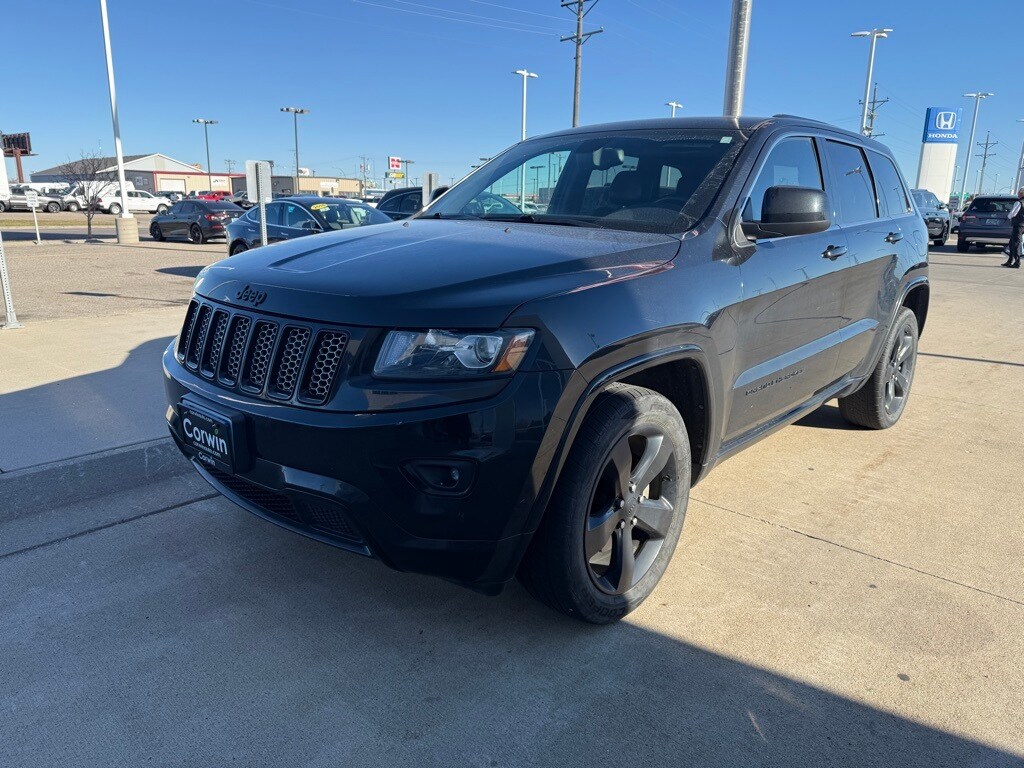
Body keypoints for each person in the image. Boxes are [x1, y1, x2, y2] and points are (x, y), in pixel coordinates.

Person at [1002, 187, 1024, 268]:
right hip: (1023, 225)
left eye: (1019, 192)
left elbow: (1012, 214)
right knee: (1012, 243)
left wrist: (1008, 217)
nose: (1018, 193)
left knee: (1015, 244)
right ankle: (1010, 260)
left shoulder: (1019, 202)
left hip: (1018, 225)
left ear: (1021, 193)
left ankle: (1017, 262)